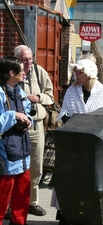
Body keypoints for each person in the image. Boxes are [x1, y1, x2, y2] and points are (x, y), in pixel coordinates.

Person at [53, 58, 103, 224]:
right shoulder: (72, 90)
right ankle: (66, 213)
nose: (76, 75)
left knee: (88, 180)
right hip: (73, 143)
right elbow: (64, 113)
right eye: (75, 72)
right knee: (69, 178)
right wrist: (75, 121)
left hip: (92, 145)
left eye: (80, 72)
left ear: (89, 74)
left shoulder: (102, 91)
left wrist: (84, 122)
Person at [14, 45, 54, 216]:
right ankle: (12, 204)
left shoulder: (39, 72)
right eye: (25, 59)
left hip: (37, 126)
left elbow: (50, 96)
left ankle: (33, 202)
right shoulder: (10, 73)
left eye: (30, 58)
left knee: (36, 166)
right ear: (17, 59)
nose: (29, 62)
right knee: (13, 167)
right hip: (15, 129)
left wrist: (38, 98)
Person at [0, 56, 33, 225]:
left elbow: (27, 112)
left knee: (22, 199)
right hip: (5, 156)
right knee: (1, 200)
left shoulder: (19, 91)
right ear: (11, 73)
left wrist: (28, 121)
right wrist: (13, 116)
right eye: (21, 70)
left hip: (22, 154)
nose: (25, 73)